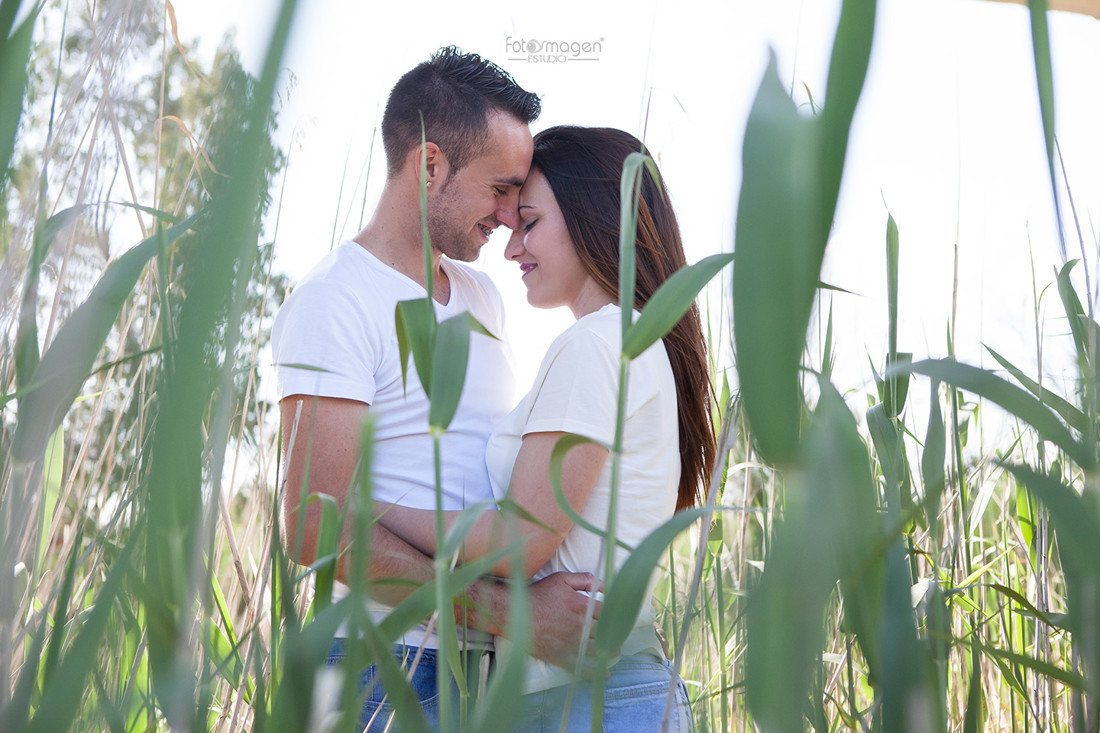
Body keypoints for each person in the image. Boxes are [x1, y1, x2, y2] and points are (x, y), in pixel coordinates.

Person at [270, 49, 598, 731]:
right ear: (429, 165)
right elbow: (311, 524)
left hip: (479, 666)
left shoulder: (482, 297)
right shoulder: (338, 300)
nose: (512, 215)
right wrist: (513, 613)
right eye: (500, 188)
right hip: (381, 663)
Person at [381, 125, 715, 732]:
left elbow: (519, 541)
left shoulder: (597, 342)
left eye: (529, 223)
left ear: (594, 218)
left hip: (589, 701)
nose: (512, 250)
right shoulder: (635, 340)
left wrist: (372, 510)